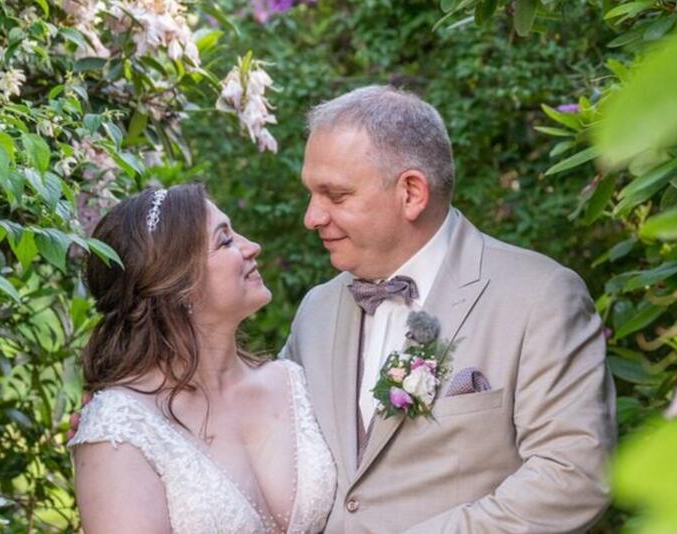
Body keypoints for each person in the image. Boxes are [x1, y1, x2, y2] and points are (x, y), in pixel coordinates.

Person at [280, 85, 616, 533]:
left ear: (412, 193)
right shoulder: (316, 311)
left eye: (335, 196)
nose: (312, 217)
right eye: (311, 194)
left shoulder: (540, 297)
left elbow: (574, 476)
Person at [68, 184, 337, 534]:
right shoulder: (120, 428)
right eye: (225, 241)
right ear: (173, 282)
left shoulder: (293, 380)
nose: (251, 247)